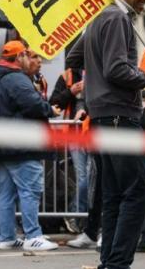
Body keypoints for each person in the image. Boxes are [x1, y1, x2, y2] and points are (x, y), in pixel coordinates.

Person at [66, 0, 145, 269]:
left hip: (103, 118)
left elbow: (74, 58)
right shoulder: (116, 18)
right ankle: (117, 263)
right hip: (119, 116)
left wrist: (93, 77)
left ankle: (110, 262)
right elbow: (116, 69)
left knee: (114, 193)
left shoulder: (101, 17)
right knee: (138, 192)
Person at [0, 41, 61, 251]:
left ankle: (7, 237)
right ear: (19, 57)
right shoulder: (16, 79)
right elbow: (32, 104)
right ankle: (33, 236)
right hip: (22, 144)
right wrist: (50, 110)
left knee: (7, 193)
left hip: (5, 143)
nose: (35, 60)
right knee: (30, 190)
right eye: (30, 55)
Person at [49, 66, 88, 235]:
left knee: (91, 177)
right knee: (84, 177)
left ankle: (80, 216)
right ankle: (76, 215)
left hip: (96, 131)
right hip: (75, 134)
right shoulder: (67, 75)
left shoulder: (102, 69)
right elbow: (54, 104)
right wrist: (70, 92)